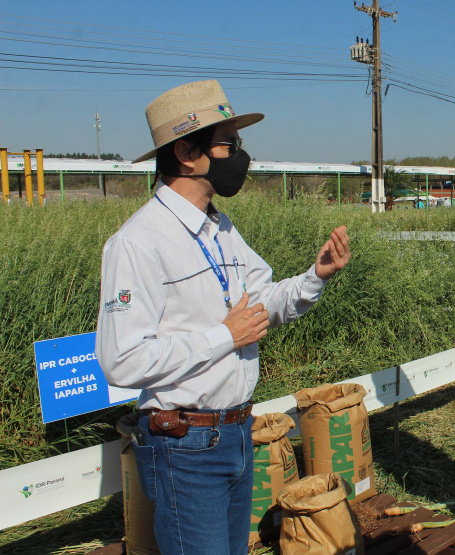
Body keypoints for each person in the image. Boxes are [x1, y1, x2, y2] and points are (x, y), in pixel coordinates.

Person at [96, 80, 351, 555]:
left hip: (235, 433)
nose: (241, 156)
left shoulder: (221, 229)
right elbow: (121, 361)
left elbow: (260, 303)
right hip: (184, 449)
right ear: (186, 153)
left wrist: (314, 277)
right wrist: (223, 336)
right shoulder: (137, 243)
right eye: (229, 145)